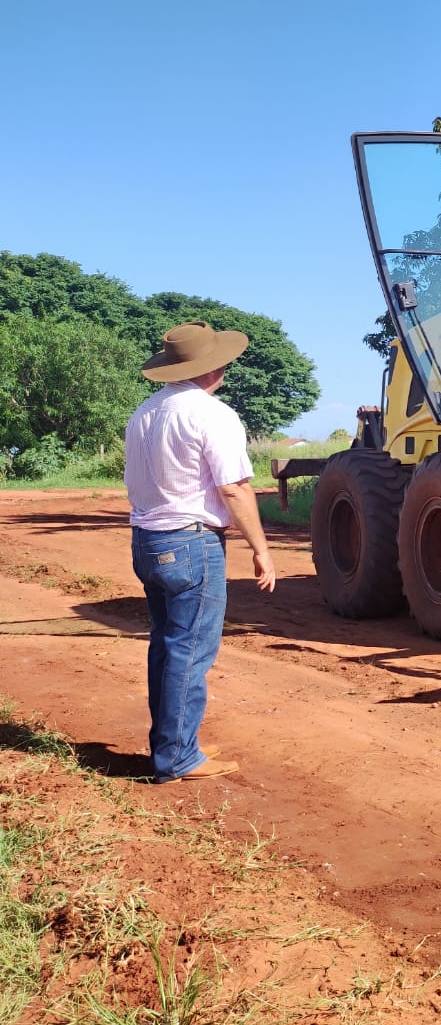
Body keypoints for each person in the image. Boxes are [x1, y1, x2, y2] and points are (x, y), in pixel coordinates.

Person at [124, 321, 277, 782]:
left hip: (147, 541)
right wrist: (261, 550)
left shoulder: (144, 413)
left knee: (166, 647)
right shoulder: (213, 414)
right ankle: (177, 758)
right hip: (191, 543)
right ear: (215, 366)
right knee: (190, 652)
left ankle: (172, 746)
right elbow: (233, 488)